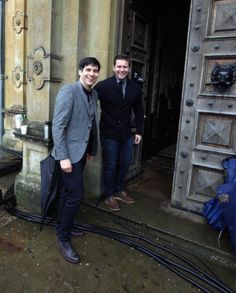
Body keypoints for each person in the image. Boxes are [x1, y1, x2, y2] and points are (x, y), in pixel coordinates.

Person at [51, 57, 101, 264]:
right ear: (80, 71)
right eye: (88, 69)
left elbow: (89, 123)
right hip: (68, 156)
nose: (92, 73)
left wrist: (91, 148)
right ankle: (63, 238)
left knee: (68, 193)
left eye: (95, 70)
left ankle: (62, 226)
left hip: (81, 153)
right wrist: (63, 157)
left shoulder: (94, 93)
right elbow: (58, 126)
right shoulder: (68, 91)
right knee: (76, 196)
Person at [94, 54, 144, 211]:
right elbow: (88, 99)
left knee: (125, 162)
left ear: (128, 69)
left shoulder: (135, 87)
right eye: (119, 67)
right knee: (110, 164)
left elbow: (139, 110)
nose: (122, 70)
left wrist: (139, 131)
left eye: (125, 67)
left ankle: (119, 189)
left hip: (127, 133)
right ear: (114, 67)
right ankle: (109, 194)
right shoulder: (102, 86)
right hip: (109, 132)